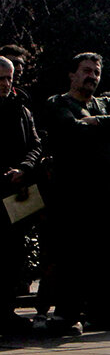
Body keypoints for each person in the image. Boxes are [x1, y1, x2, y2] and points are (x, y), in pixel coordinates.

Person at [41, 52, 110, 332]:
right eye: (86, 70)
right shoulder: (58, 103)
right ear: (72, 74)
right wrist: (102, 125)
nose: (92, 76)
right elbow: (72, 130)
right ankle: (66, 315)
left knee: (108, 259)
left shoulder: (105, 102)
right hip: (74, 197)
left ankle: (103, 314)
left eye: (96, 72)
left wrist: (95, 122)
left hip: (109, 195)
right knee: (73, 257)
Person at [0, 56, 40, 333]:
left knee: (13, 254)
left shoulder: (22, 110)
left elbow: (36, 144)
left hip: (15, 192)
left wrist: (24, 168)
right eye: (0, 78)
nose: (5, 84)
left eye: (8, 78)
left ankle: (6, 310)